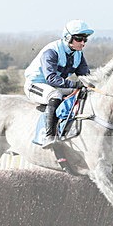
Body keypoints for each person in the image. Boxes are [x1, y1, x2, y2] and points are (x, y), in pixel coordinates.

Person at [24, 19, 93, 148]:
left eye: (85, 39)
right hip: (35, 85)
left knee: (84, 93)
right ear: (68, 38)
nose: (83, 43)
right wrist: (74, 84)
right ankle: (49, 136)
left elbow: (85, 76)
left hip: (56, 85)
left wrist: (93, 84)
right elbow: (51, 78)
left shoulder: (78, 54)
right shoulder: (51, 51)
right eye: (79, 39)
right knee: (55, 95)